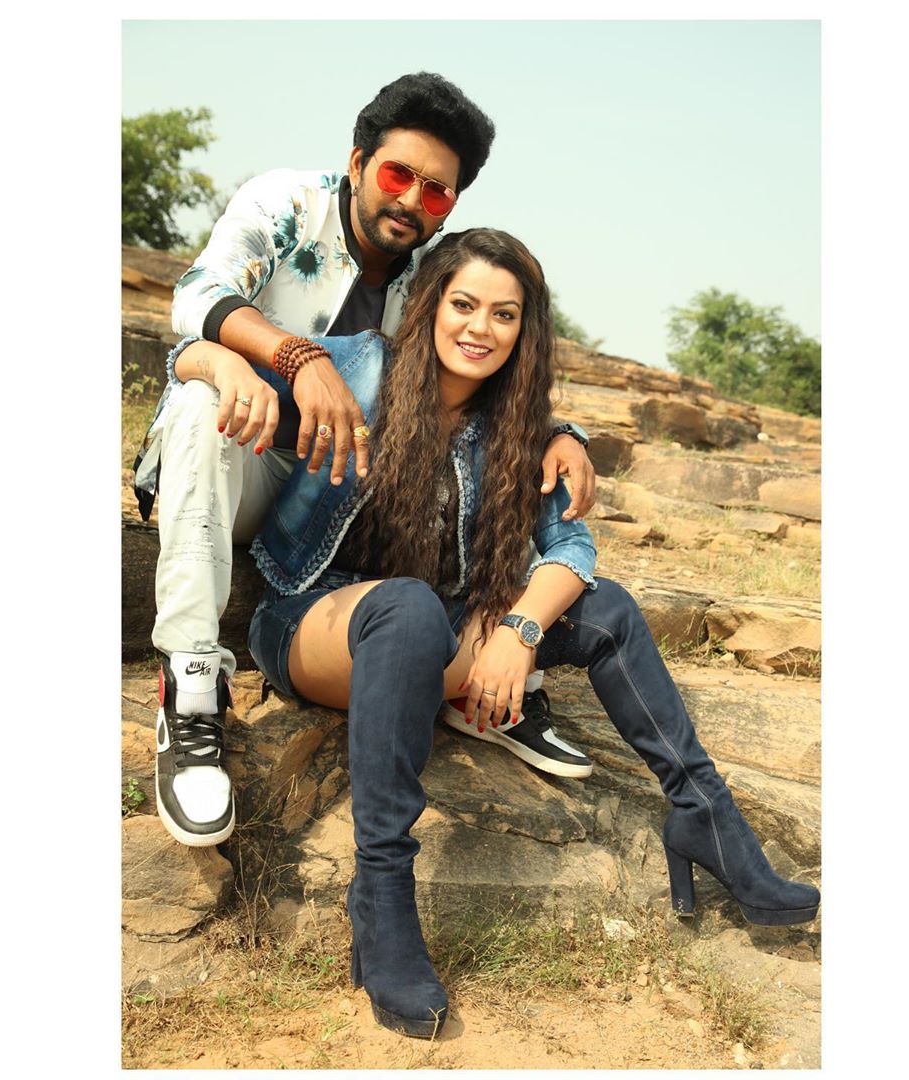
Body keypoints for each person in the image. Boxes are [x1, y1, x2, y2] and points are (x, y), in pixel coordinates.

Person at [169, 229, 821, 1039]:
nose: (480, 327)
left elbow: (573, 551)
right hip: (315, 621)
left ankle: (706, 820)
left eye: (504, 314)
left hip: (432, 634)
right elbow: (183, 359)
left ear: (525, 329)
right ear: (431, 306)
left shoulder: (520, 427)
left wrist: (517, 631)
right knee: (408, 608)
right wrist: (229, 365)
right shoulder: (358, 367)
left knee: (609, 610)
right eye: (464, 305)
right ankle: (380, 891)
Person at [132, 73, 596, 848]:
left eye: (437, 191)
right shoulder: (287, 204)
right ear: (357, 164)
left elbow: (479, 377)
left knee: (490, 470)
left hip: (340, 495)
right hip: (242, 464)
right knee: (201, 406)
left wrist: (562, 433)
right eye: (397, 174)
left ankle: (488, 678)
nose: (412, 200)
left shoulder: (430, 274)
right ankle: (190, 694)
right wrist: (290, 356)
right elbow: (196, 299)